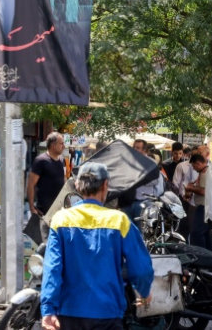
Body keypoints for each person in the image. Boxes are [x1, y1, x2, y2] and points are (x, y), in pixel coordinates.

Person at [41, 162, 154, 330]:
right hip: (107, 314)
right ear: (105, 185)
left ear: (78, 186)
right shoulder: (119, 220)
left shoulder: (60, 219)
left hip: (69, 314)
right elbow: (141, 268)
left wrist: (48, 309)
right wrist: (144, 292)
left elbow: (52, 269)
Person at [28, 132, 67, 243]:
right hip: (44, 212)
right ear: (53, 145)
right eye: (61, 143)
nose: (63, 146)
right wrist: (32, 207)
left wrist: (68, 202)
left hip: (59, 212)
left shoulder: (61, 160)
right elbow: (31, 184)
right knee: (46, 244)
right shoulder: (41, 161)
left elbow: (63, 181)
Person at [184, 154, 210, 248]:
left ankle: (199, 254)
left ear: (198, 163)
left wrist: (191, 189)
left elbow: (203, 191)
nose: (194, 169)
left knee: (196, 232)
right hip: (205, 207)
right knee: (206, 234)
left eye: (194, 166)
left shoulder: (205, 173)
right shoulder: (205, 172)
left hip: (203, 207)